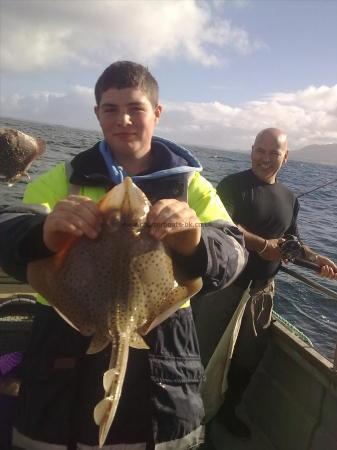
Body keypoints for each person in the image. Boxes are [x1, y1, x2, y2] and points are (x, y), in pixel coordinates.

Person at [0, 61, 247, 450]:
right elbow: (7, 230)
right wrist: (41, 234)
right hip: (62, 354)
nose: (124, 119)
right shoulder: (61, 181)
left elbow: (234, 250)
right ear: (97, 114)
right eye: (111, 109)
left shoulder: (192, 188)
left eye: (136, 108)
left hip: (163, 358)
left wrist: (195, 244)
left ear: (157, 113)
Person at [193, 127, 337, 439]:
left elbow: (293, 242)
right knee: (202, 352)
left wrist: (317, 260)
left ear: (286, 158)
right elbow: (221, 225)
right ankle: (187, 420)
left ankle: (227, 412)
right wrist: (262, 244)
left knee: (247, 358)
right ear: (252, 150)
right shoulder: (233, 185)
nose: (266, 158)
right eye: (261, 149)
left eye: (275, 153)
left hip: (261, 293)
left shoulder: (289, 198)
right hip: (223, 287)